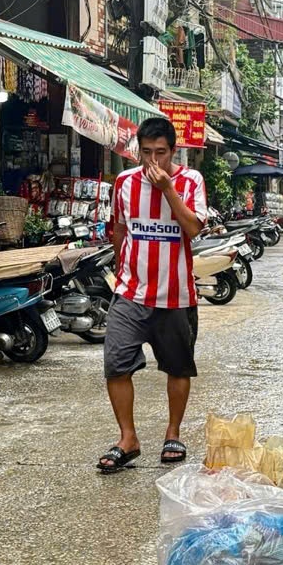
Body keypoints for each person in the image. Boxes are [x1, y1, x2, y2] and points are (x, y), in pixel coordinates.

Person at [97, 117, 205, 474]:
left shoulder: (190, 181)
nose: (154, 161)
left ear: (174, 151)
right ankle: (127, 439)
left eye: (161, 153)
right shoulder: (125, 183)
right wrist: (119, 272)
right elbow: (121, 231)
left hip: (175, 294)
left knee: (177, 367)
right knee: (116, 364)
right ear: (138, 151)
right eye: (147, 153)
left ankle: (173, 433)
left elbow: (192, 229)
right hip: (130, 293)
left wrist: (168, 190)